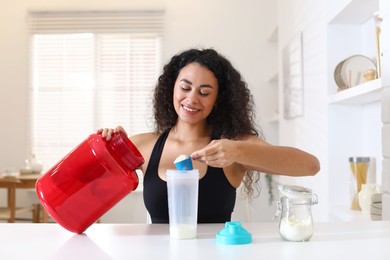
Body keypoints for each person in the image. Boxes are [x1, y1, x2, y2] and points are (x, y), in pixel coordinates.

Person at [99, 48, 320, 223]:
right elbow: (85, 185)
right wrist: (106, 150)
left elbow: (310, 166)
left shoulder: (233, 146)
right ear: (171, 89)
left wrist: (238, 151)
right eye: (185, 88)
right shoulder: (145, 145)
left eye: (204, 92)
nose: (192, 99)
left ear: (218, 100)